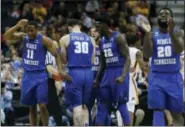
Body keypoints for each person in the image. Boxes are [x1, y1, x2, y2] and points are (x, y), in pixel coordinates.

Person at [3, 19, 71, 126]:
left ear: (37, 30)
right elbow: (6, 36)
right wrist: (18, 25)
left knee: (43, 106)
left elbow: (56, 54)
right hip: (27, 76)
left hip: (40, 75)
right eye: (28, 30)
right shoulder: (23, 36)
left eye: (32, 31)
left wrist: (60, 70)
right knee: (32, 107)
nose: (30, 33)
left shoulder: (44, 40)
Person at [141, 7, 185, 126]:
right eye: (161, 14)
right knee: (158, 110)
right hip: (156, 77)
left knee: (176, 112)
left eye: (166, 14)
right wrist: (147, 34)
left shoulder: (179, 32)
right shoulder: (152, 34)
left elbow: (179, 49)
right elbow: (147, 54)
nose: (163, 16)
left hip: (173, 77)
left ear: (172, 18)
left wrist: (170, 32)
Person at [94, 17, 131, 126]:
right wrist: (97, 79)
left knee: (121, 104)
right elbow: (103, 63)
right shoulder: (101, 41)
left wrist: (123, 76)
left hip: (119, 71)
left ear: (105, 25)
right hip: (107, 74)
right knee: (102, 104)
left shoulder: (118, 38)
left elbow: (128, 59)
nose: (96, 29)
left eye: (98, 26)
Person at [59, 19, 96, 126]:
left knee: (77, 105)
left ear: (69, 27)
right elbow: (92, 61)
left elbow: (64, 60)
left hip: (75, 73)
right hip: (89, 73)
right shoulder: (91, 39)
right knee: (85, 105)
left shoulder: (65, 38)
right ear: (79, 26)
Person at [125, 23, 146, 125]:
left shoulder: (121, 50)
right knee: (130, 108)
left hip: (120, 79)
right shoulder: (137, 52)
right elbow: (144, 67)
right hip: (130, 83)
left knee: (121, 108)